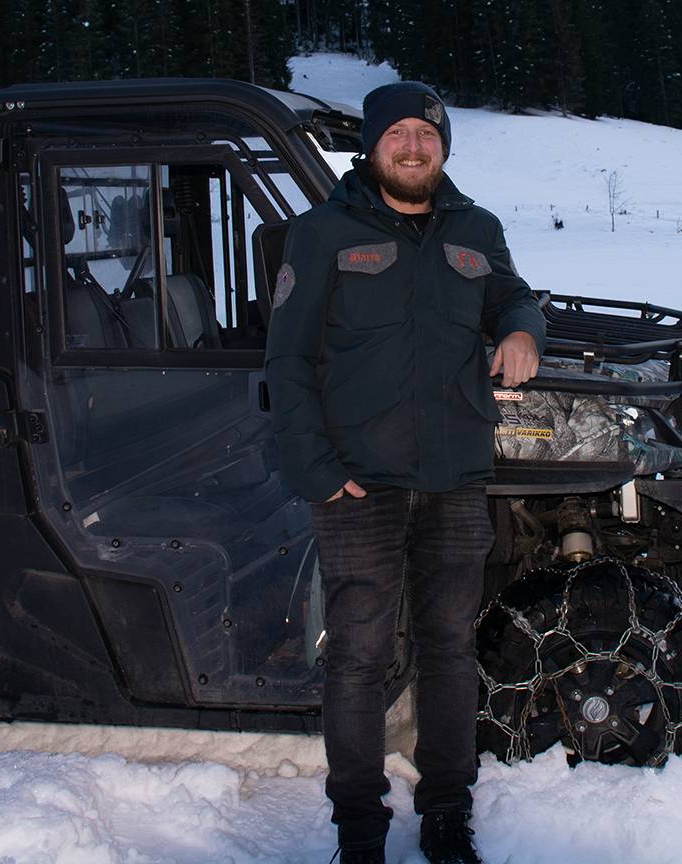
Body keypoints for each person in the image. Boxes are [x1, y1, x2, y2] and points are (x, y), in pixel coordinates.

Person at [266, 81, 544, 864]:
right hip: (358, 485)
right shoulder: (322, 233)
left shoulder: (477, 228)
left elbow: (515, 297)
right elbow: (287, 360)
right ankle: (359, 828)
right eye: (399, 135)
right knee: (358, 656)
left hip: (456, 478)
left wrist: (522, 331)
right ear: (373, 146)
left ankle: (448, 811)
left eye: (427, 134)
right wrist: (317, 471)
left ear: (443, 147)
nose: (414, 147)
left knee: (450, 648)